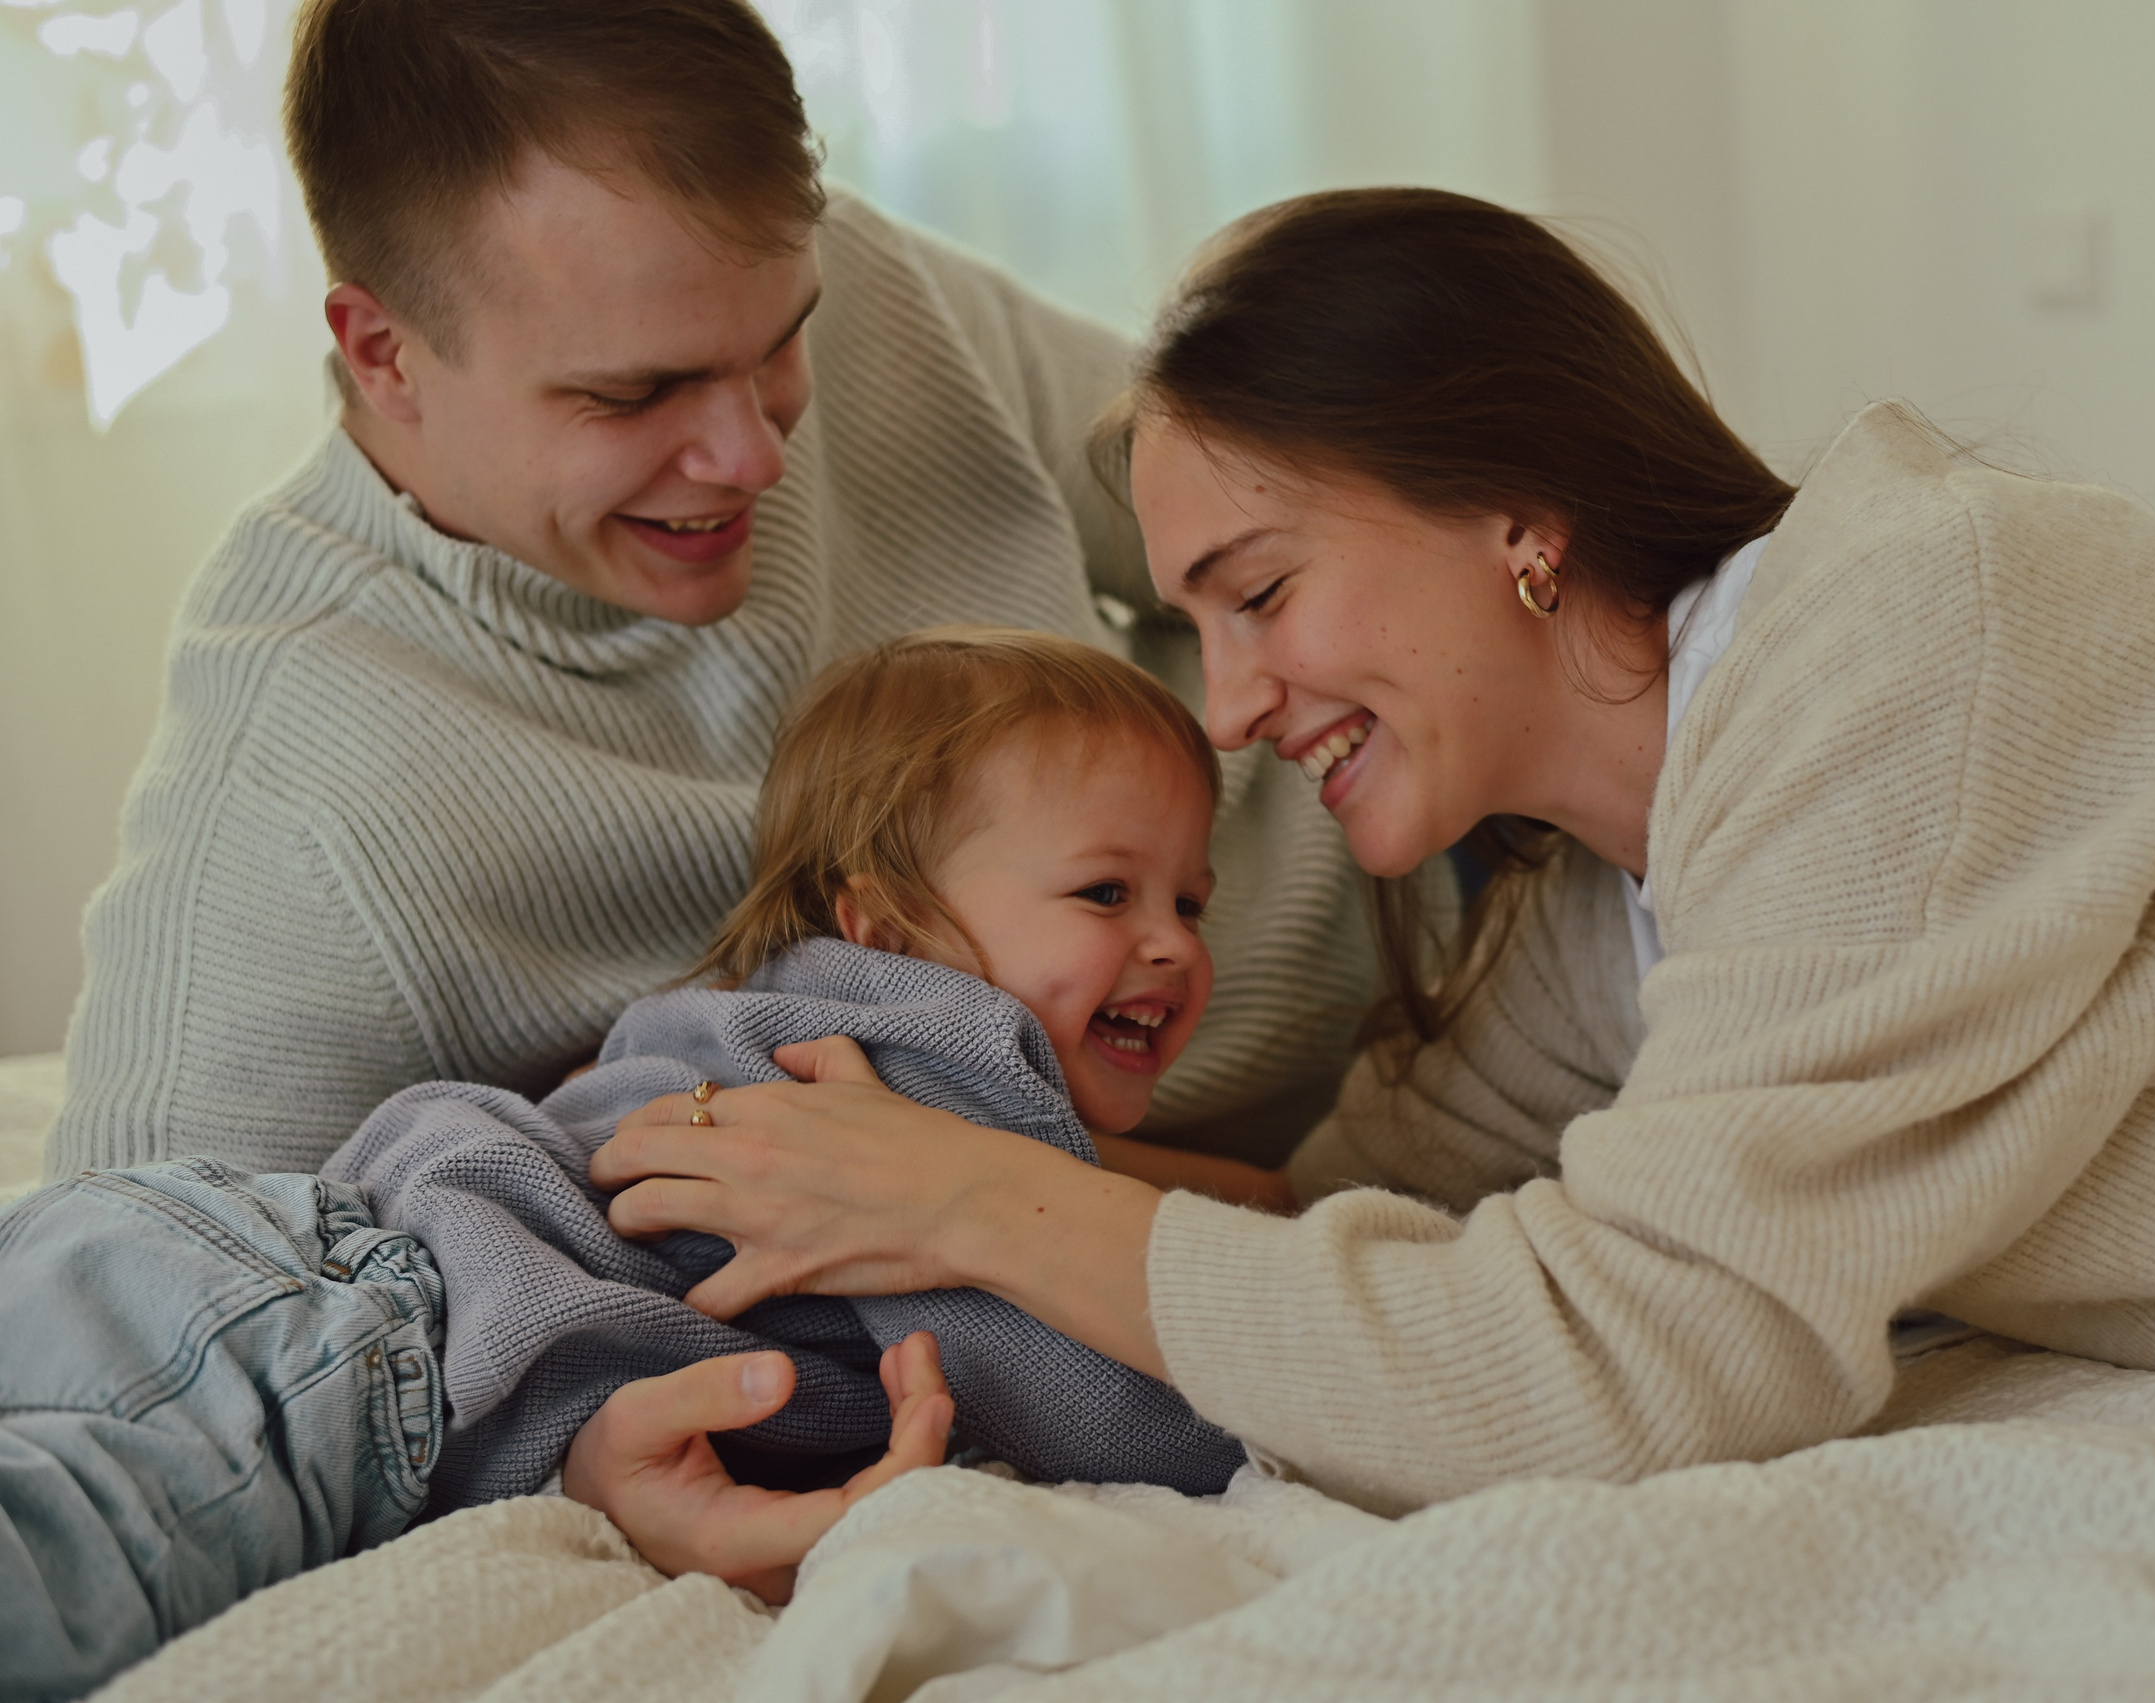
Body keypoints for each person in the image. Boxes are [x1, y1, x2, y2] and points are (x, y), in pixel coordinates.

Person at [580, 186, 2155, 1555]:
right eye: (1201, 627)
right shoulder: (1592, 917)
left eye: (1259, 593)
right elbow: (1343, 1234)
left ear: (1513, 513)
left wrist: (992, 1199)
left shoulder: (1892, 639)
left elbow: (1628, 1359)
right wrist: (871, 1153)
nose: (1241, 708)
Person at [47, 0, 1371, 1186]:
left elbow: (1302, 517)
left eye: (783, 339)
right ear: (383, 352)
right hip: (1283, 1185)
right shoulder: (292, 817)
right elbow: (122, 1333)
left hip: (1437, 861)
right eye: (635, 393)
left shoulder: (839, 280)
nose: (755, 453)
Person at [0, 627, 1257, 1697]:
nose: (1169, 946)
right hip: (351, 1338)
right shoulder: (944, 1066)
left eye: (1189, 902)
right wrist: (1264, 1411)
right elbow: (1095, 1398)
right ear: (894, 926)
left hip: (214, 1240)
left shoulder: (751, 1018)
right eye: (1106, 893)